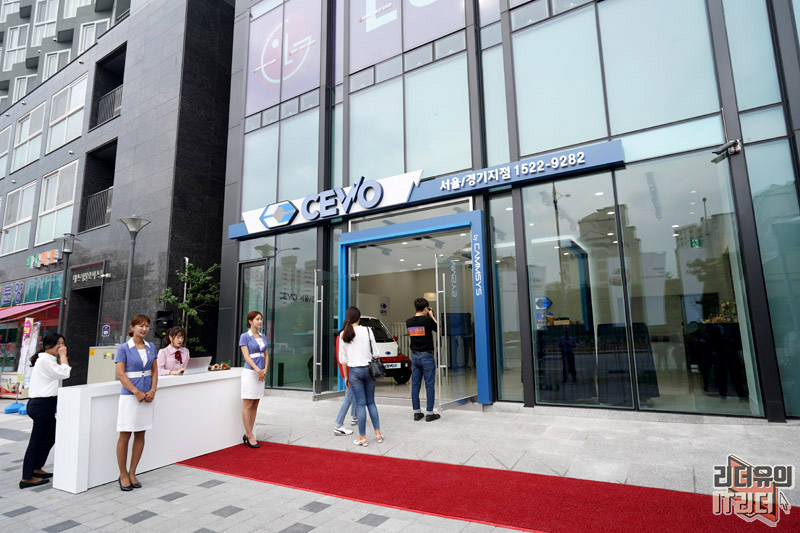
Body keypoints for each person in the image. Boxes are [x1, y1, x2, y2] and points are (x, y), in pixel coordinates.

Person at [19, 333, 71, 489]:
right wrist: (64, 356)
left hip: (45, 405)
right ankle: (26, 477)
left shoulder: (48, 360)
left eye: (63, 343)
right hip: (41, 405)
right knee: (36, 442)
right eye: (58, 343)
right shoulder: (44, 361)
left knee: (51, 436)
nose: (61, 347)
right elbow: (65, 373)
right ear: (48, 345)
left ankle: (36, 468)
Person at [115, 315, 158, 491]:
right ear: (132, 327)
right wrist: (136, 392)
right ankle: (123, 474)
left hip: (147, 395)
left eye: (147, 326)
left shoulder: (151, 347)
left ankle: (133, 472)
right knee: (125, 435)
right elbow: (121, 374)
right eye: (140, 325)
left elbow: (154, 371)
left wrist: (152, 390)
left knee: (141, 434)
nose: (144, 329)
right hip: (130, 396)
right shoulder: (123, 348)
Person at [338, 306, 383, 446]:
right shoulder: (368, 330)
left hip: (354, 372)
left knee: (360, 404)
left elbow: (343, 360)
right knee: (371, 403)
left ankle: (362, 438)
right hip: (369, 370)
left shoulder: (344, 334)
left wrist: (346, 377)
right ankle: (378, 434)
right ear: (359, 317)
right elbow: (376, 353)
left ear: (347, 318)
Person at [406, 298, 440, 422]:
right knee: (429, 385)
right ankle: (429, 413)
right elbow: (439, 329)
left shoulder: (408, 322)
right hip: (427, 356)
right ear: (426, 309)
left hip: (415, 356)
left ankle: (417, 412)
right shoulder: (428, 320)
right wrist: (432, 316)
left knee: (415, 385)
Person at [239, 311, 269, 449]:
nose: (260, 321)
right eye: (257, 319)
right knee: (248, 404)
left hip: (261, 373)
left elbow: (266, 355)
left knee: (255, 404)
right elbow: (247, 357)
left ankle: (249, 433)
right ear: (250, 321)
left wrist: (265, 370)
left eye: (261, 319)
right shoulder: (245, 336)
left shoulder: (263, 336)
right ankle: (250, 435)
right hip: (250, 373)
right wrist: (258, 370)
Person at [333, 331, 355, 436]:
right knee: (348, 398)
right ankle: (338, 425)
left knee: (354, 395)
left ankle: (355, 416)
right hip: (350, 371)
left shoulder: (340, 336)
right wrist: (346, 375)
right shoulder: (345, 335)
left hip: (348, 371)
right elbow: (343, 358)